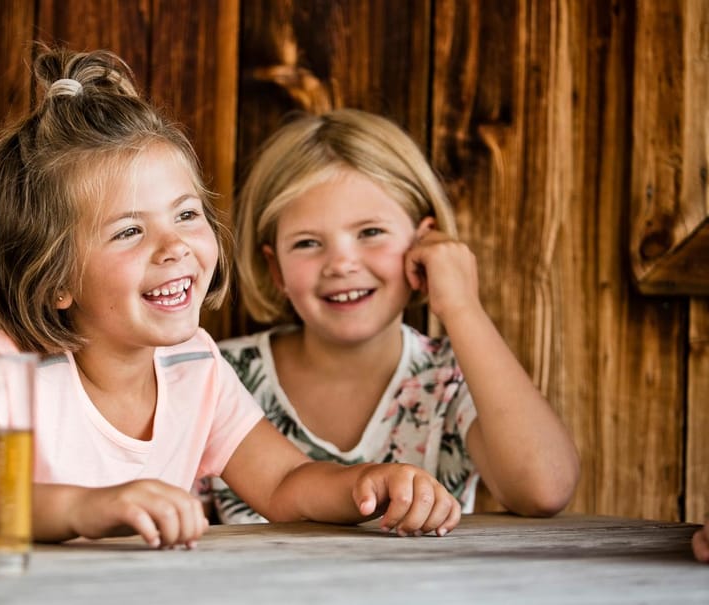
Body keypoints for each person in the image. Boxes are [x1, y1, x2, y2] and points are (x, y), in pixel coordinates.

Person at [0, 48, 462, 548]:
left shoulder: (195, 364)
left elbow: (284, 483)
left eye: (187, 214)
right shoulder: (1, 365)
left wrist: (367, 483)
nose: (175, 247)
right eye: (128, 231)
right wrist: (88, 509)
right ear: (53, 279)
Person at [212, 108, 580, 524]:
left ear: (424, 242)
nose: (342, 264)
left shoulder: (455, 379)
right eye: (308, 243)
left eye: (370, 233)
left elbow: (544, 489)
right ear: (275, 268)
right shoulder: (219, 376)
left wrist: (461, 306)